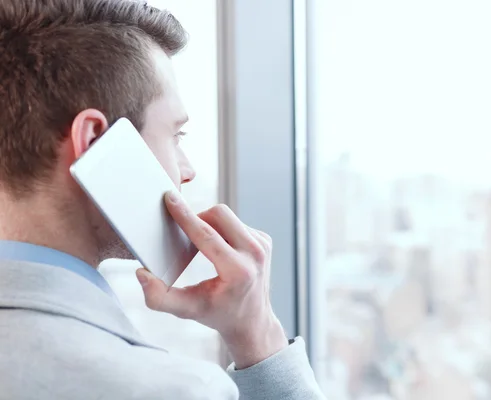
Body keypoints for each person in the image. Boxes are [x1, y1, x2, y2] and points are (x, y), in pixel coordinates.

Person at [0, 1, 325, 399]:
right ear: (94, 142)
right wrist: (257, 332)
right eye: (175, 136)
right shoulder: (169, 390)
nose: (186, 170)